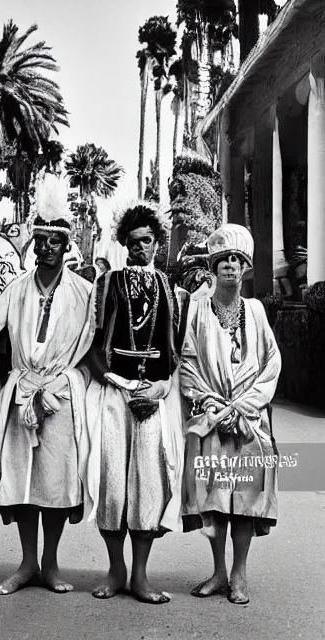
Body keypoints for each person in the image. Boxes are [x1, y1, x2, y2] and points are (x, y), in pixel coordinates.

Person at [0, 172, 95, 596]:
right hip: (20, 390)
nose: (45, 248)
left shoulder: (84, 292)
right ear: (33, 243)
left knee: (56, 481)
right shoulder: (17, 289)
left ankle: (51, 563)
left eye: (54, 242)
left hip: (61, 394)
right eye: (39, 240)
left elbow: (93, 351)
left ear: (66, 246)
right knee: (22, 481)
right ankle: (26, 563)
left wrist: (72, 389)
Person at [84, 203, 185, 604]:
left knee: (147, 484)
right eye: (132, 242)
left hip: (154, 396)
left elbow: (177, 354)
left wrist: (160, 388)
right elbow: (92, 347)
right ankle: (115, 570)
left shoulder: (172, 291)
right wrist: (113, 380)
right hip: (114, 393)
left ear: (157, 243)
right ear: (124, 245)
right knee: (111, 484)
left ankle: (140, 577)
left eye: (146, 241)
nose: (139, 248)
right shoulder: (107, 284)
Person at [180, 224, 281, 605]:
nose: (230, 267)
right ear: (214, 267)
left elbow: (271, 363)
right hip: (213, 419)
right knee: (216, 500)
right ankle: (218, 571)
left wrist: (244, 406)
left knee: (246, 499)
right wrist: (210, 403)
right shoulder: (199, 311)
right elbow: (188, 364)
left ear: (245, 269)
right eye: (223, 260)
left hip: (249, 422)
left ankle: (239, 574)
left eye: (237, 261)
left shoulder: (255, 312)